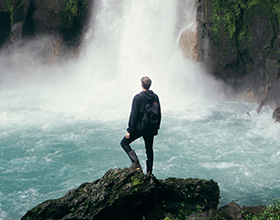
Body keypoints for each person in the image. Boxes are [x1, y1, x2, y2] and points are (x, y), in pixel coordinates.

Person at [120, 76, 161, 175]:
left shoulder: (138, 97)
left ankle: (136, 163)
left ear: (141, 85)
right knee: (149, 149)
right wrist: (156, 127)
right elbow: (159, 113)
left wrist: (130, 130)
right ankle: (149, 173)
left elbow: (134, 115)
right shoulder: (155, 97)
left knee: (124, 143)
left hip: (140, 128)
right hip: (150, 128)